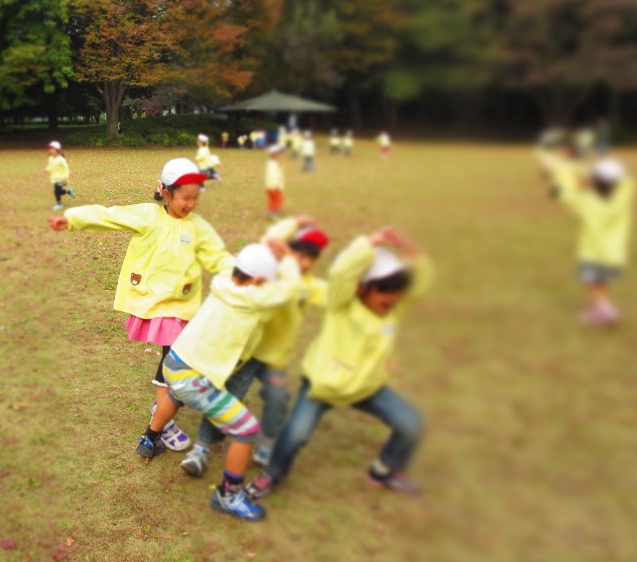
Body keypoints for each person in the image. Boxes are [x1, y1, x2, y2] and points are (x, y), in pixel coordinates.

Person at [48, 158, 234, 453]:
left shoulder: (197, 227)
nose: (191, 204)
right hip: (156, 304)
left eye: (195, 198)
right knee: (174, 363)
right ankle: (160, 425)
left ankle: (161, 417)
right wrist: (72, 219)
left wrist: (245, 274)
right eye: (186, 197)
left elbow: (218, 257)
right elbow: (108, 216)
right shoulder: (148, 216)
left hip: (184, 306)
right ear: (166, 193)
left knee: (175, 364)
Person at [247, 227, 431, 500]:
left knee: (412, 424)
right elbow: (342, 272)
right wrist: (370, 242)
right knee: (296, 434)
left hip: (367, 386)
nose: (390, 298)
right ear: (362, 288)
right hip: (323, 386)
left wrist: (411, 250)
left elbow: (421, 281)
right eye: (383, 290)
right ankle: (272, 473)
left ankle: (384, 470)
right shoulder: (341, 304)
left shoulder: (393, 310)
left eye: (396, 291)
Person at [139, 242, 301, 521]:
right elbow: (291, 288)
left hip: (175, 362)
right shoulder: (254, 300)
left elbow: (231, 261)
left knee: (176, 395)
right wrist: (287, 258)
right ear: (258, 280)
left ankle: (149, 439)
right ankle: (228, 495)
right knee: (246, 429)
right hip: (193, 378)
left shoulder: (224, 279)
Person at [182, 217, 329, 477]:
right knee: (228, 395)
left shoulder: (308, 286)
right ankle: (201, 448)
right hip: (246, 353)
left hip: (274, 357)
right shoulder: (266, 276)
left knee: (278, 396)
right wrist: (293, 223)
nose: (304, 263)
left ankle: (267, 442)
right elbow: (270, 241)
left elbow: (333, 297)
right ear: (288, 251)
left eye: (310, 259)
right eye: (299, 255)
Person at [542, 155, 637, 325]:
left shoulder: (586, 201)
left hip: (592, 252)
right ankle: (601, 308)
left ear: (595, 181)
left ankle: (606, 310)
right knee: (601, 282)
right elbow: (627, 178)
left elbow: (558, 192)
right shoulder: (625, 196)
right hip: (615, 254)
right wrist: (600, 174)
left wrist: (551, 173)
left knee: (592, 283)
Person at [45, 141, 76, 210]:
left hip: (62, 179)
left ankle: (59, 204)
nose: (50, 150)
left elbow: (66, 169)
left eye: (52, 148)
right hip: (54, 178)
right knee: (59, 192)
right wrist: (47, 169)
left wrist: (64, 177)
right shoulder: (50, 158)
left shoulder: (61, 160)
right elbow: (51, 167)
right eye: (49, 148)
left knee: (56, 192)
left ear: (57, 150)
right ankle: (69, 191)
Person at [265, 146, 286, 217]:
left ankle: (269, 211)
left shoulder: (273, 163)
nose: (281, 155)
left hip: (271, 186)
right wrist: (276, 186)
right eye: (279, 153)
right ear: (274, 154)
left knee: (273, 200)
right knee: (278, 200)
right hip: (274, 186)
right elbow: (272, 177)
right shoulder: (272, 165)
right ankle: (272, 213)